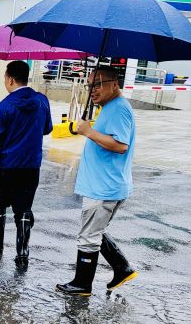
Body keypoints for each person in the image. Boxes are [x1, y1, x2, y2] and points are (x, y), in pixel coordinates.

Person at [56, 66, 138, 296]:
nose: (93, 90)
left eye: (98, 84)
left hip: (103, 187)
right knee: (95, 231)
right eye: (90, 84)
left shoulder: (119, 109)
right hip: (103, 184)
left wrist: (89, 132)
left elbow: (120, 145)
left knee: (89, 236)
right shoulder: (110, 107)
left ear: (115, 84)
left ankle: (82, 284)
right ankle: (122, 268)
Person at [0, 60, 53, 266]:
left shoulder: (6, 105)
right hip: (31, 165)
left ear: (11, 79)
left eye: (5, 78)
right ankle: (22, 253)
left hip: (7, 165)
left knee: (0, 202)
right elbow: (47, 128)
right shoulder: (41, 101)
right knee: (23, 208)